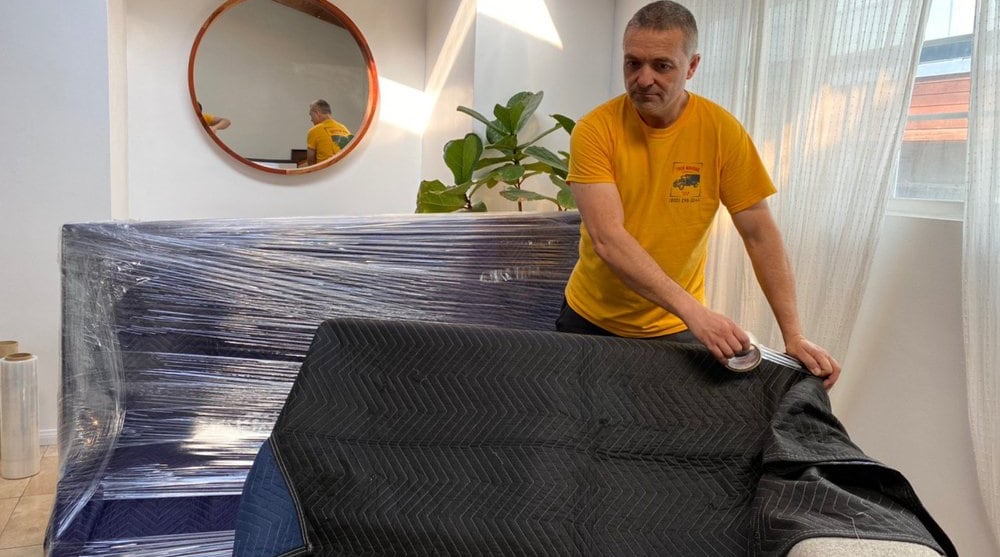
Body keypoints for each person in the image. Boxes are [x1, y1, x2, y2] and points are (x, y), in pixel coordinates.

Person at [558, 0, 841, 389]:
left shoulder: (721, 131)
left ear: (691, 67)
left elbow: (759, 234)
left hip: (672, 328)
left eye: (662, 65)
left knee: (663, 440)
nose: (643, 79)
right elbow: (609, 240)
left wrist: (793, 335)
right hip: (590, 320)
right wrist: (696, 313)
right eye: (632, 63)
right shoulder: (594, 131)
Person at [306, 99, 352, 165]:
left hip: (325, 172)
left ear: (317, 113)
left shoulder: (314, 131)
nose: (311, 119)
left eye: (311, 115)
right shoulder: (344, 128)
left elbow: (311, 160)